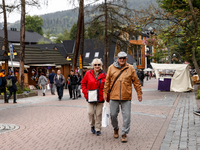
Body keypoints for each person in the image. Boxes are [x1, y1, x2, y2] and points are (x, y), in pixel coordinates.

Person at [104, 51, 142, 143]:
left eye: (123, 58)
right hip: (113, 96)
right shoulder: (111, 68)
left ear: (126, 59)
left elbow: (136, 82)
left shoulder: (131, 68)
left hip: (126, 96)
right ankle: (116, 128)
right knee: (113, 115)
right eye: (120, 58)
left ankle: (124, 133)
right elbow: (107, 82)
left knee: (127, 116)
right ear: (117, 59)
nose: (122, 60)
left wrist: (139, 93)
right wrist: (105, 93)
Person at [81, 58, 106, 136]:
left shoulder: (104, 75)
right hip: (90, 97)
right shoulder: (88, 73)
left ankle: (98, 128)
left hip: (100, 97)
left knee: (98, 114)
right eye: (95, 65)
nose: (97, 66)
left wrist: (106, 94)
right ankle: (92, 125)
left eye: (99, 65)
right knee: (90, 113)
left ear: (101, 65)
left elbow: (107, 86)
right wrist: (86, 93)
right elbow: (83, 84)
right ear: (93, 65)